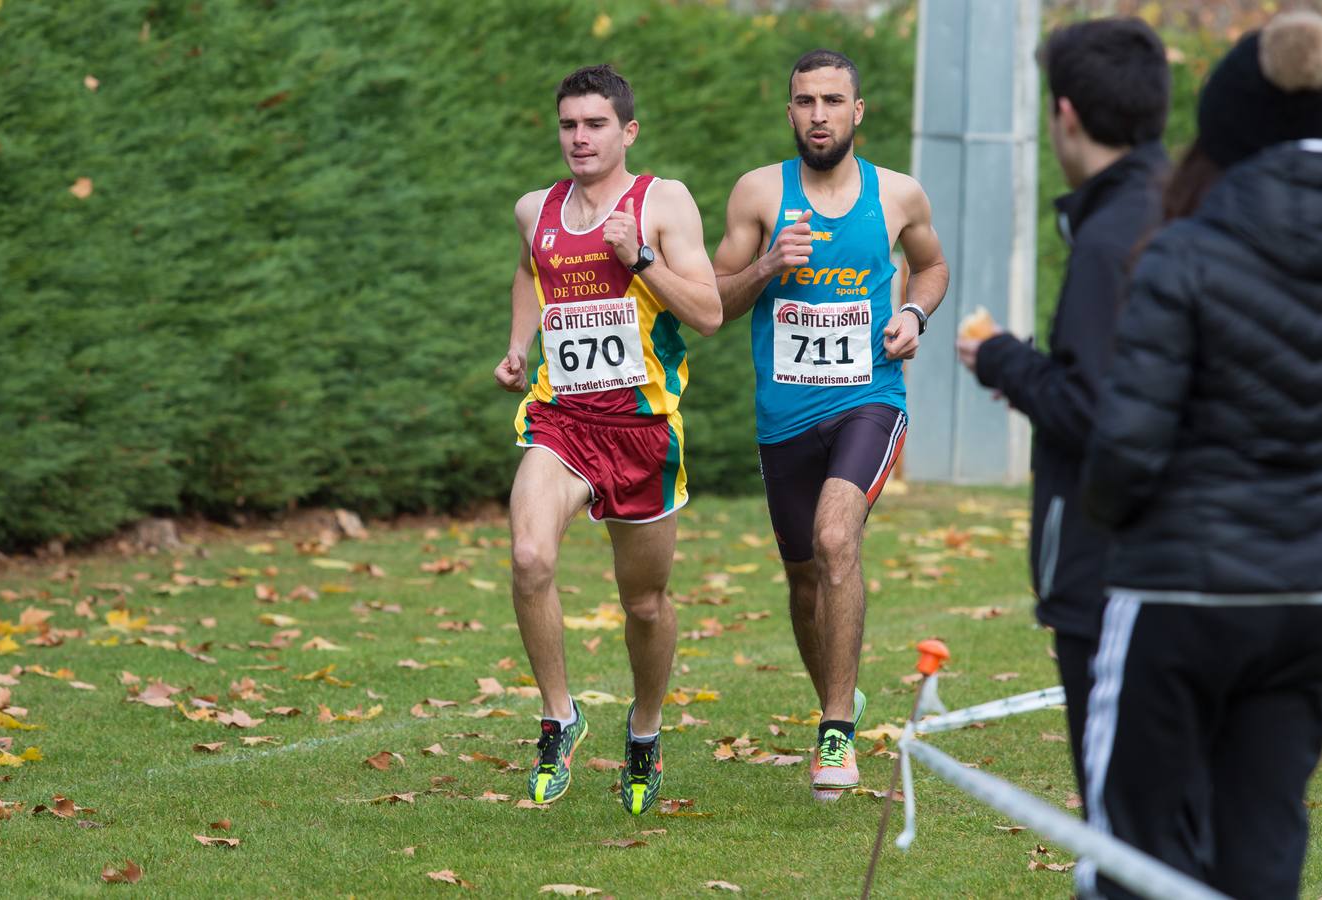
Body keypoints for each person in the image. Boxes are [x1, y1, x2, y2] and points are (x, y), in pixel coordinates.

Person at [1074, 12, 1322, 898]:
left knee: (1134, 855)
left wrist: (1106, 518)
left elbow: (1127, 447)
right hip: (1307, 591)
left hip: (1179, 591)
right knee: (1263, 854)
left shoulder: (1183, 255)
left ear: (1223, 132)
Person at [713, 49, 949, 800]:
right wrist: (766, 267)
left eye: (833, 101)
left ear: (857, 111)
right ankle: (834, 699)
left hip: (868, 399)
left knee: (835, 538)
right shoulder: (758, 194)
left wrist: (913, 311)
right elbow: (712, 302)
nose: (819, 115)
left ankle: (836, 729)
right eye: (805, 102)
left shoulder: (898, 195)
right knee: (802, 573)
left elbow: (933, 267)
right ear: (789, 113)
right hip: (784, 415)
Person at [493, 64, 721, 816]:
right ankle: (560, 716)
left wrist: (640, 259)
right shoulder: (536, 208)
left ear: (626, 131)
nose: (579, 138)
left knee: (646, 604)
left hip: (642, 430)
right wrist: (520, 345)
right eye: (568, 125)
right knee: (529, 556)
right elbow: (529, 271)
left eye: (594, 125)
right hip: (561, 419)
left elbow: (711, 313)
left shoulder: (663, 203)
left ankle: (646, 729)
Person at [956, 17, 1169, 804]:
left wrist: (1004, 358)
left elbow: (1094, 408)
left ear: (1067, 114)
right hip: (1188, 559)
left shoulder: (1113, 238)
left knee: (1121, 814)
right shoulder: (1183, 206)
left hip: (1111, 569)